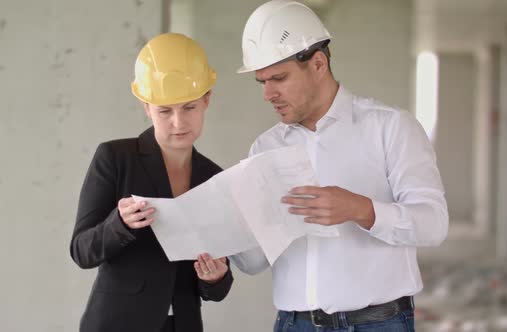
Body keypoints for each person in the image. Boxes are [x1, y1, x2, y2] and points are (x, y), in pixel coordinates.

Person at [230, 1, 449, 331]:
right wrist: (226, 240)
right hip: (295, 324)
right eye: (262, 82)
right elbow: (255, 260)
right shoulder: (264, 148)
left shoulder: (391, 127)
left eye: (279, 78)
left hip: (378, 323)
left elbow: (434, 224)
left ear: (318, 63)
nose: (268, 94)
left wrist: (361, 209)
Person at [70, 33, 233, 332]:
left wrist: (215, 277)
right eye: (164, 111)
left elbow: (218, 290)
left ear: (207, 99)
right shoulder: (115, 158)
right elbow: (81, 251)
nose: (178, 122)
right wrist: (119, 223)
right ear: (146, 107)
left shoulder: (214, 178)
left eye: (189, 108)